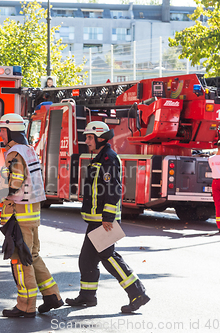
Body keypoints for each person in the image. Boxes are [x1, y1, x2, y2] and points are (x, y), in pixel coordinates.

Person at [66, 121, 150, 313]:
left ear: (100, 138)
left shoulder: (109, 159)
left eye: (89, 138)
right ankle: (87, 296)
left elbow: (113, 189)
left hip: (104, 220)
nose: (86, 141)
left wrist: (108, 218)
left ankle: (138, 293)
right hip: (95, 220)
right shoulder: (100, 158)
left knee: (108, 257)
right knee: (86, 259)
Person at [0, 113, 63, 318]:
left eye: (2, 130)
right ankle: (51, 296)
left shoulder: (14, 153)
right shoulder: (29, 150)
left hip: (18, 217)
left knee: (21, 261)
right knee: (33, 256)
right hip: (32, 215)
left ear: (11, 131)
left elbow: (13, 186)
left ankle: (26, 305)